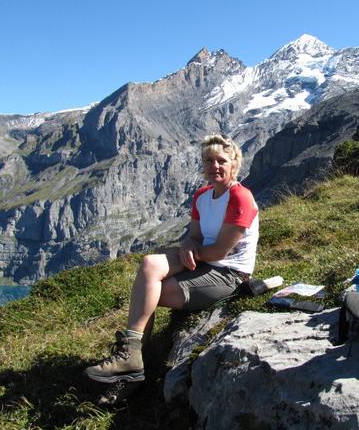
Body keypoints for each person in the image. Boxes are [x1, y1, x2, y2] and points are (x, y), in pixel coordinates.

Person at [84, 134, 259, 383]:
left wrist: (187, 252)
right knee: (149, 265)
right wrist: (187, 244)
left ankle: (132, 366)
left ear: (234, 164)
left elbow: (221, 251)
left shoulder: (241, 197)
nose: (215, 166)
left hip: (230, 274)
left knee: (148, 293)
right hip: (203, 262)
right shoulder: (202, 196)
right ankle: (130, 357)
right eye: (208, 160)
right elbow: (195, 236)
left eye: (221, 160)